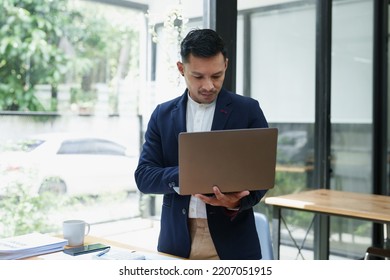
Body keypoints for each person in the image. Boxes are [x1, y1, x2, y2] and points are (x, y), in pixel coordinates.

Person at [134, 28, 269, 260]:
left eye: (216, 75)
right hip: (177, 240)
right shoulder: (162, 115)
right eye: (198, 76)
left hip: (233, 243)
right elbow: (144, 177)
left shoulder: (248, 111)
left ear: (225, 64)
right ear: (181, 69)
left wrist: (236, 202)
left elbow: (262, 175)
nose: (208, 85)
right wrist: (188, 175)